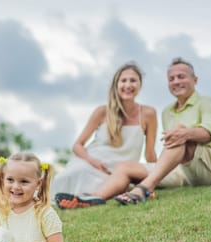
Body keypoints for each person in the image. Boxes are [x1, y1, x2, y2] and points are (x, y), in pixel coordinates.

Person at [56, 57, 211, 208]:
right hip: (179, 172)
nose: (176, 81)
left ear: (195, 80)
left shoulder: (209, 102)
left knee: (180, 134)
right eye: (171, 78)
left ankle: (143, 189)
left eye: (181, 77)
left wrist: (184, 134)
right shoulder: (167, 112)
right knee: (124, 167)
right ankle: (94, 198)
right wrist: (153, 167)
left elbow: (207, 134)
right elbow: (166, 154)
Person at [51, 62, 158, 202]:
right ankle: (73, 199)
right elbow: (77, 145)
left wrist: (157, 173)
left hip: (120, 171)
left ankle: (87, 199)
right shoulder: (102, 112)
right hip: (92, 164)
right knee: (74, 174)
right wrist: (92, 161)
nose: (128, 85)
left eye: (133, 80)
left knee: (118, 182)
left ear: (140, 85)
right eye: (123, 80)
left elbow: (149, 153)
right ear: (116, 85)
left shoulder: (148, 114)